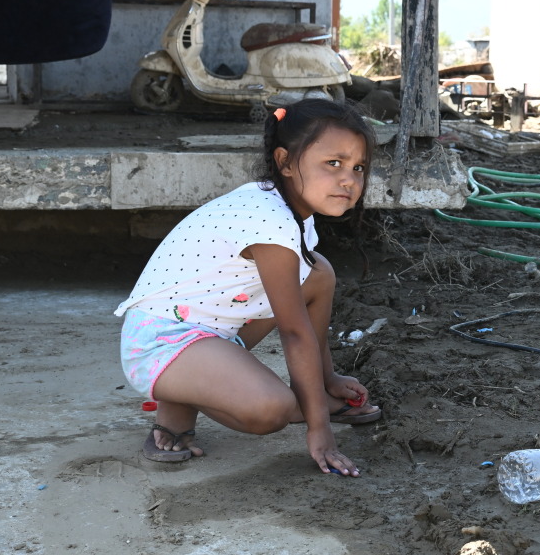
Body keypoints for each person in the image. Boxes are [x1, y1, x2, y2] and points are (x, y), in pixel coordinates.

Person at [115, 98, 380, 476]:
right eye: (333, 163)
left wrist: (328, 378)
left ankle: (311, 391)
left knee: (317, 273)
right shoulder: (270, 221)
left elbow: (304, 318)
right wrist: (319, 426)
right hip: (160, 342)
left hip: (211, 332)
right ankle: (182, 398)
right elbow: (294, 332)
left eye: (358, 168)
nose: (349, 179)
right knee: (270, 409)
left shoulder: (290, 211)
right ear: (285, 162)